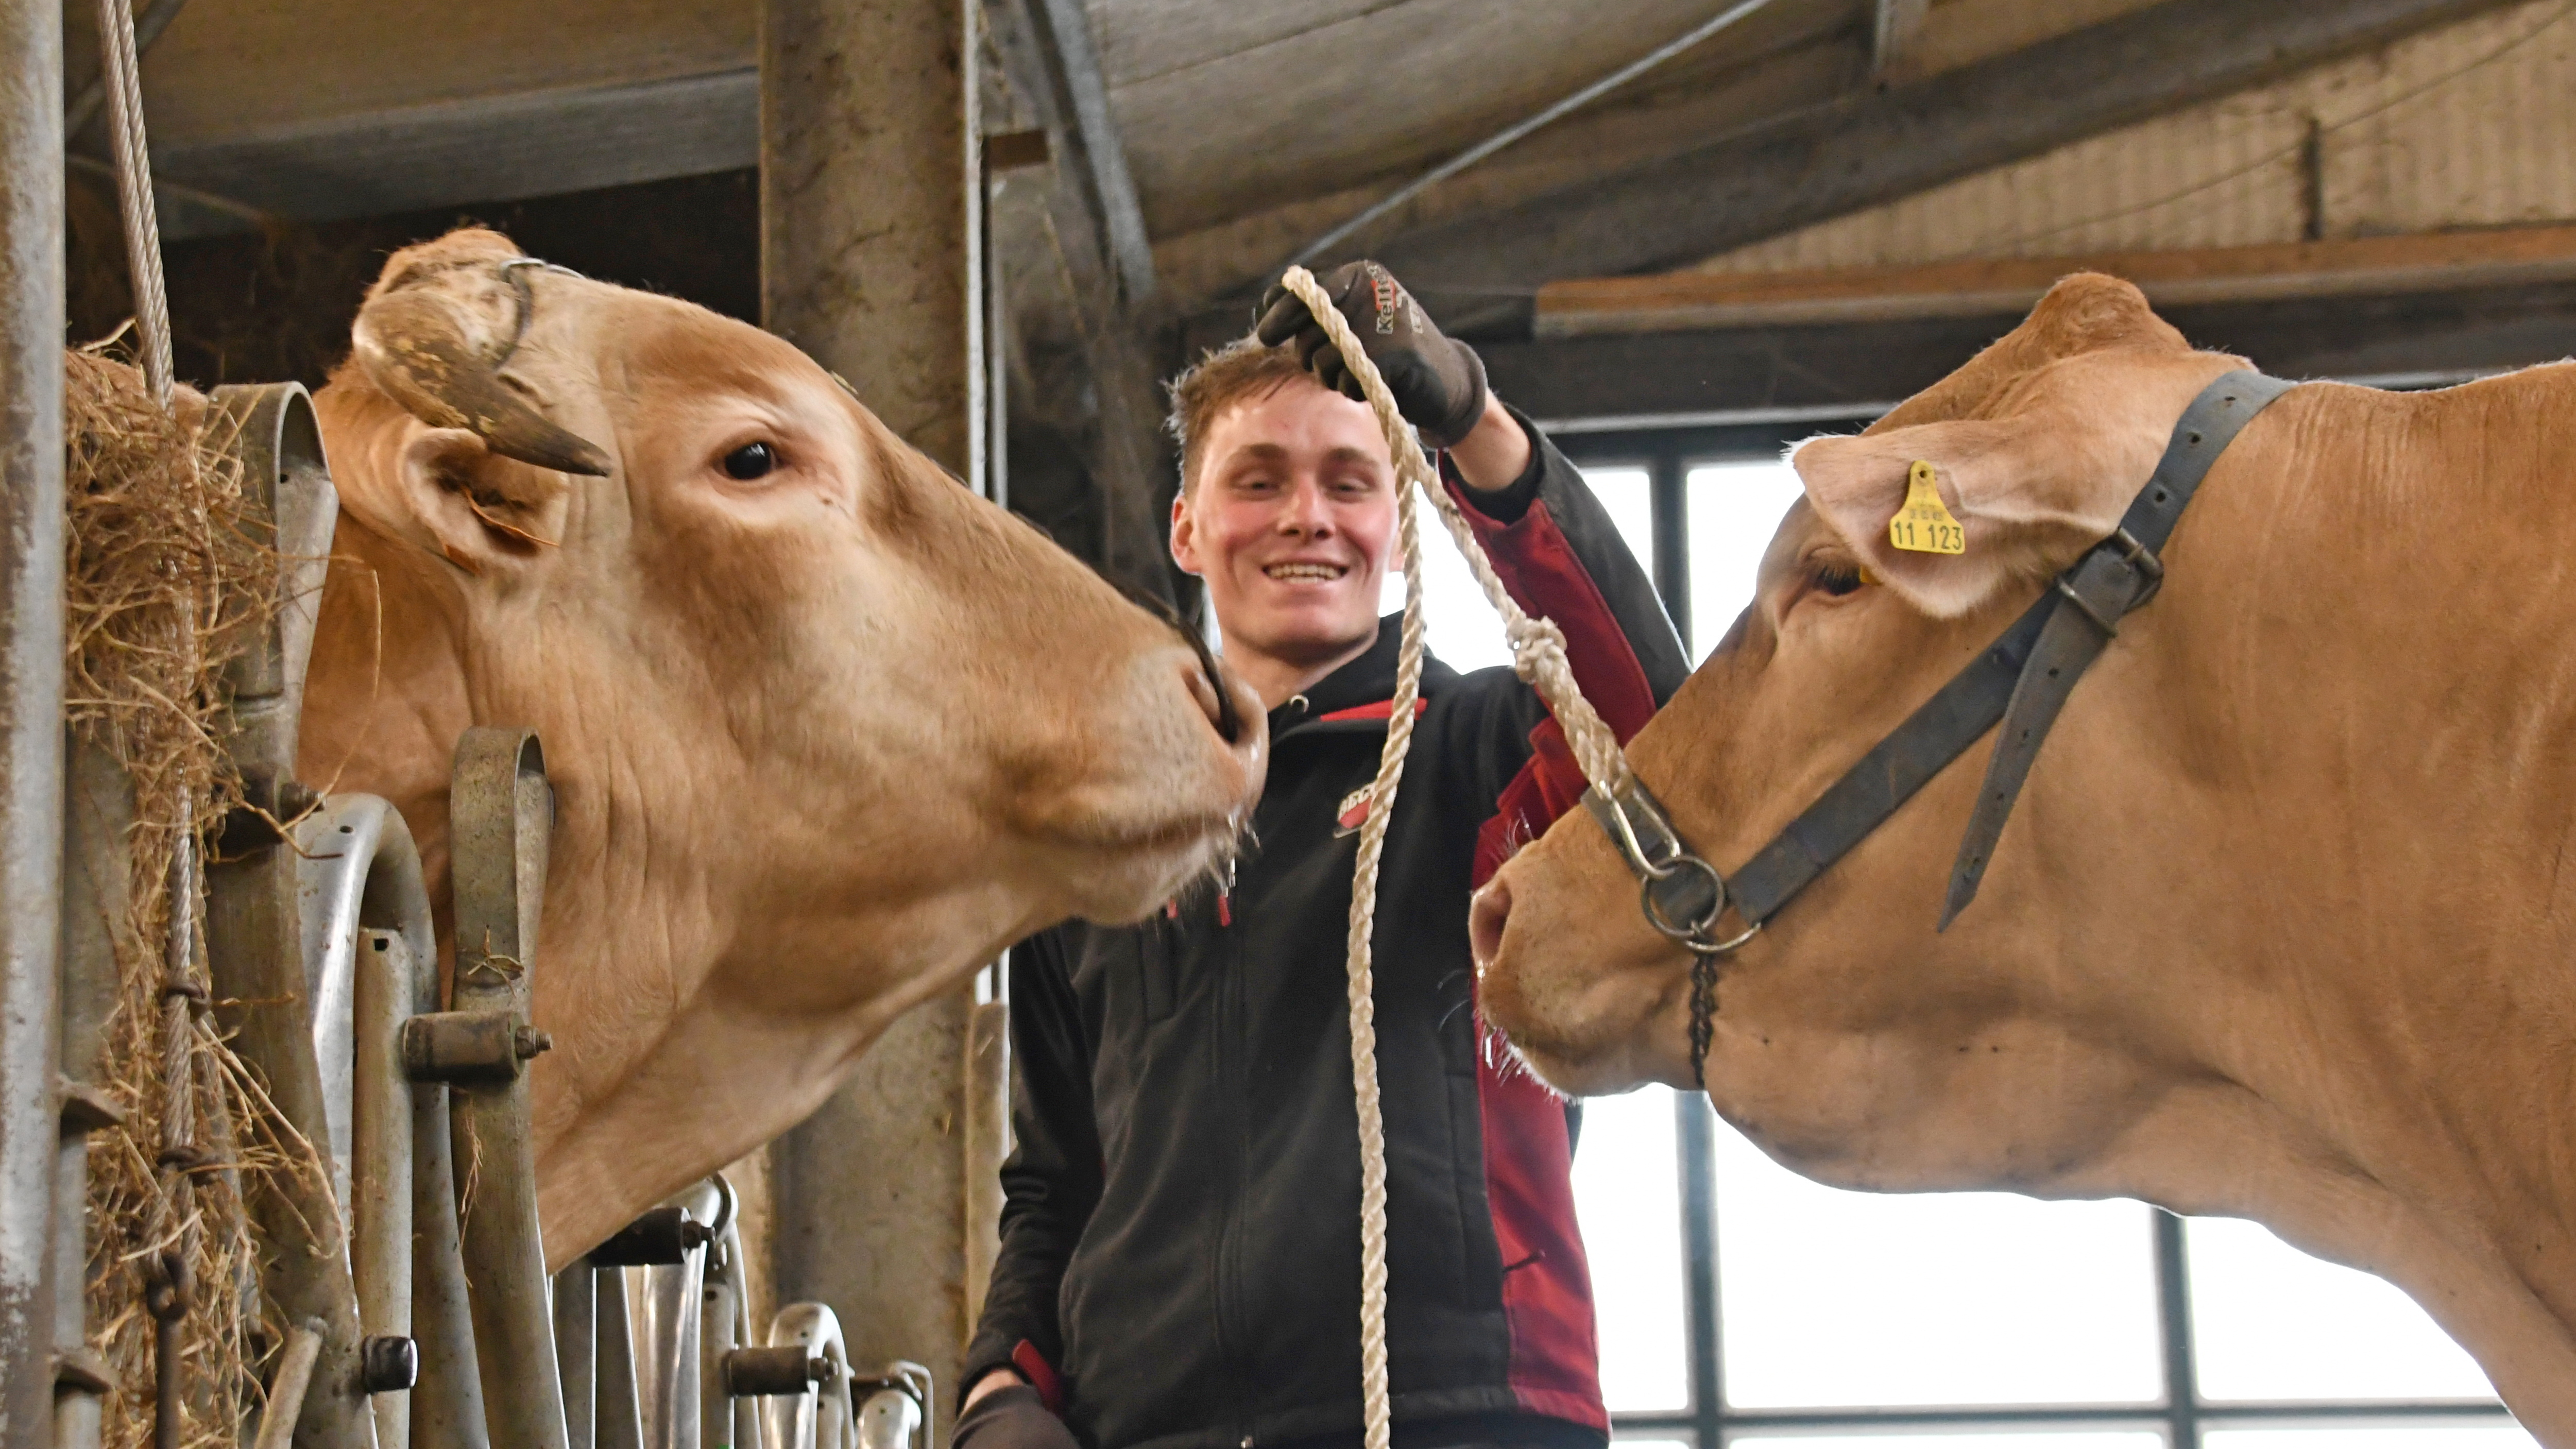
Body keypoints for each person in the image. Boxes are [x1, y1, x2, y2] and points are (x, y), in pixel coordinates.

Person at [954, 261, 1690, 1449]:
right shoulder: (1099, 836)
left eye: (1349, 483)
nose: (1306, 516)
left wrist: (1472, 418)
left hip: (1457, 1411)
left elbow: (1655, 727)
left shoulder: (1485, 751)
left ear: (1397, 531)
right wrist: (999, 1387)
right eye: (1258, 480)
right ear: (1187, 529)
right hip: (1143, 1428)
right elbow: (1053, 1183)